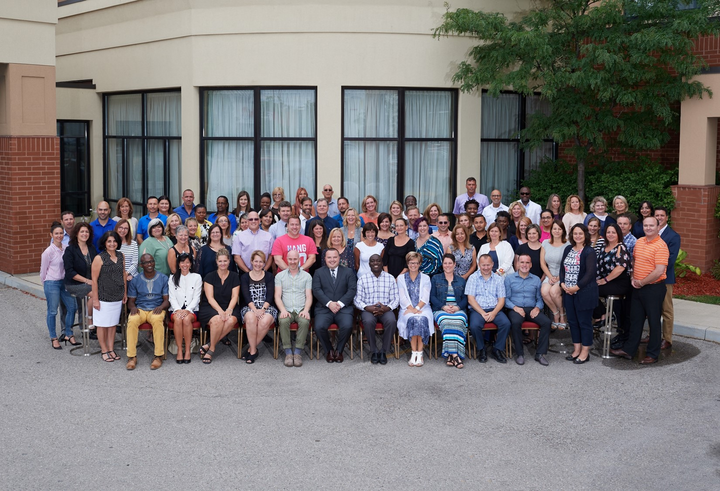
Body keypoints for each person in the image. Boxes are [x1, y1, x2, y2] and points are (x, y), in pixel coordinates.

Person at [611, 216, 669, 365]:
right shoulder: (640, 242)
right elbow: (634, 261)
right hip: (637, 286)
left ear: (658, 227)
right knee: (635, 320)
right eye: (646, 225)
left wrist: (642, 282)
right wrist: (632, 277)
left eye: (651, 225)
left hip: (653, 288)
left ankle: (652, 354)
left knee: (654, 321)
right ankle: (629, 350)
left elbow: (659, 271)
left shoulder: (661, 246)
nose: (648, 228)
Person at [560, 224, 598, 364]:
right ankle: (576, 349)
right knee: (573, 322)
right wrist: (562, 283)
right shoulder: (568, 249)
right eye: (575, 233)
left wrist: (576, 287)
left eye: (580, 233)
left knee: (584, 322)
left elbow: (590, 274)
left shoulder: (589, 251)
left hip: (584, 292)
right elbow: (562, 269)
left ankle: (585, 352)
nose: (577, 236)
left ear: (585, 235)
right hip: (568, 292)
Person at [505, 254, 552, 366]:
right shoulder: (509, 279)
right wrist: (515, 308)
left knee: (546, 322)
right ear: (517, 264)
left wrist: (537, 308)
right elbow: (505, 299)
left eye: (527, 262)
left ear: (531, 265)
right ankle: (520, 354)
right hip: (515, 308)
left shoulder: (536, 279)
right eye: (522, 262)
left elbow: (539, 299)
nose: (524, 265)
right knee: (516, 322)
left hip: (531, 308)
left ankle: (540, 354)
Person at [312, 248, 358, 363]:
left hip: (343, 308)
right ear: (325, 259)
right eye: (329, 257)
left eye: (334, 257)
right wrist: (329, 303)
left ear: (339, 258)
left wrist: (340, 304)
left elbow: (352, 290)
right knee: (319, 327)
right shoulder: (318, 272)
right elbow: (317, 290)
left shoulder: (348, 272)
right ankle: (329, 350)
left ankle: (339, 351)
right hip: (324, 308)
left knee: (347, 326)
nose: (332, 260)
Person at [125, 253, 168, 370]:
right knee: (132, 320)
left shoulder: (163, 278)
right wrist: (132, 307)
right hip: (141, 309)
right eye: (146, 263)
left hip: (156, 308)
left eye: (151, 261)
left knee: (157, 320)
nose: (149, 264)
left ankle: (158, 356)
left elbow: (167, 300)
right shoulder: (136, 280)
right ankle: (132, 357)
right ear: (141, 265)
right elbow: (131, 301)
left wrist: (161, 307)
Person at [198, 249, 241, 364]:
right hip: (210, 306)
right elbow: (210, 298)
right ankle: (212, 348)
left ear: (229, 261)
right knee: (217, 319)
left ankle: (210, 346)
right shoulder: (209, 276)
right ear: (216, 262)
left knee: (231, 320)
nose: (223, 263)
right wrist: (221, 311)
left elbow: (234, 296)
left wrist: (229, 310)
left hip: (229, 305)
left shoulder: (234, 276)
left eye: (225, 261)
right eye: (220, 261)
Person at [354, 253, 399, 364]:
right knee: (368, 321)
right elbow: (357, 299)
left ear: (382, 263)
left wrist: (387, 308)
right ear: (369, 264)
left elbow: (396, 298)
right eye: (373, 261)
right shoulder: (363, 279)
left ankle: (383, 351)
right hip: (369, 309)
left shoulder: (390, 278)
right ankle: (374, 350)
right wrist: (367, 307)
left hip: (385, 309)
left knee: (391, 321)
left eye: (378, 261)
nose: (375, 263)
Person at [465, 254, 511, 363]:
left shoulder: (498, 279)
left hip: (494, 309)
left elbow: (501, 300)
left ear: (492, 264)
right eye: (483, 265)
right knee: (475, 326)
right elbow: (471, 299)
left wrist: (493, 313)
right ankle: (481, 349)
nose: (486, 267)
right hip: (478, 310)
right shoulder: (473, 278)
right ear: (479, 265)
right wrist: (482, 313)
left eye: (488, 265)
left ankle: (497, 349)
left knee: (506, 324)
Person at [41, 222, 79, 349]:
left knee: (72, 307)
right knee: (52, 311)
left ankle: (68, 333)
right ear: (51, 235)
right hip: (52, 283)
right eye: (56, 233)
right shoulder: (48, 252)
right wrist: (45, 284)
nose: (59, 235)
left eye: (61, 233)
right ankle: (54, 337)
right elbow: (43, 270)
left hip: (64, 282)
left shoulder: (66, 248)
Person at [91, 231, 127, 363]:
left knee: (112, 325)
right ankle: (104, 350)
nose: (112, 244)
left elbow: (123, 274)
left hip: (117, 297)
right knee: (102, 325)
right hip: (103, 297)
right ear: (105, 243)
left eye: (114, 241)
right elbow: (94, 280)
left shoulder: (121, 255)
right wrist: (95, 299)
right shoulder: (99, 258)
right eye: (109, 241)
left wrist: (124, 293)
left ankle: (111, 349)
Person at [275, 250, 313, 367]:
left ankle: (297, 352)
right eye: (290, 259)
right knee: (283, 321)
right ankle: (288, 352)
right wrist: (283, 310)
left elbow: (308, 296)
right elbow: (277, 296)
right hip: (286, 309)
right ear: (287, 259)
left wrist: (306, 310)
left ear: (299, 259)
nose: (292, 262)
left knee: (304, 321)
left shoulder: (307, 276)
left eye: (295, 259)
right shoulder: (279, 276)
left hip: (301, 308)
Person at [430, 254, 469, 368]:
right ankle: (455, 355)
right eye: (445, 263)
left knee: (459, 321)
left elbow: (466, 298)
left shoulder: (461, 280)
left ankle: (450, 356)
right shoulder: (435, 278)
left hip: (458, 309)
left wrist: (458, 307)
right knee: (446, 322)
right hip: (440, 309)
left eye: (450, 263)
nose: (447, 265)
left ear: (454, 264)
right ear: (442, 265)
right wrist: (443, 307)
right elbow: (432, 297)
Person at [239, 250, 277, 364]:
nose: (258, 264)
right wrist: (255, 310)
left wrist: (263, 310)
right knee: (251, 319)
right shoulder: (245, 277)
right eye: (256, 261)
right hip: (250, 307)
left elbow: (270, 296)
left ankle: (251, 349)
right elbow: (246, 296)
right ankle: (253, 350)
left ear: (264, 263)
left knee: (264, 321)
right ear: (251, 261)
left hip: (267, 307)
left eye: (261, 262)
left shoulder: (269, 276)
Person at [593, 223, 632, 332]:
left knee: (591, 290)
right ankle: (604, 313)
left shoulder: (620, 247)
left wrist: (605, 280)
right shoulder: (604, 246)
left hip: (618, 283)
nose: (610, 234)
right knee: (585, 288)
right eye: (608, 232)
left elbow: (620, 267)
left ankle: (605, 315)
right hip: (606, 281)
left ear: (618, 234)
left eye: (613, 232)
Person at [397, 251, 433, 367]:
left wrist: (416, 308)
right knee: (413, 319)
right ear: (407, 264)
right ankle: (413, 353)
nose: (413, 265)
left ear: (420, 264)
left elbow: (425, 297)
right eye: (411, 263)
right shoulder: (401, 278)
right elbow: (402, 296)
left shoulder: (426, 278)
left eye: (416, 263)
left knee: (421, 319)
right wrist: (411, 309)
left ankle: (420, 353)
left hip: (423, 308)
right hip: (406, 308)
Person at [168, 253, 202, 364]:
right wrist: (178, 310)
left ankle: (187, 350)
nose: (185, 265)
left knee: (187, 319)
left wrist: (187, 310)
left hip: (192, 309)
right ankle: (179, 350)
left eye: (187, 262)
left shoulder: (197, 277)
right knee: (178, 319)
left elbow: (197, 298)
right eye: (182, 262)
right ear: (178, 264)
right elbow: (172, 297)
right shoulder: (172, 278)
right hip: (175, 309)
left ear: (191, 264)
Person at [655, 207, 680, 350]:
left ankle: (667, 338)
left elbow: (670, 260)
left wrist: (655, 271)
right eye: (657, 215)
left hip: (665, 278)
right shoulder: (651, 234)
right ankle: (652, 335)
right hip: (650, 277)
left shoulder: (673, 236)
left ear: (667, 217)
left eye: (662, 215)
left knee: (666, 309)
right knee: (653, 309)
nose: (659, 217)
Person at [540, 220, 569, 329]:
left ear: (563, 231)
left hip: (563, 275)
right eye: (554, 229)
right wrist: (550, 277)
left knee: (554, 292)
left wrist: (559, 278)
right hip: (550, 274)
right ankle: (555, 313)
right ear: (551, 230)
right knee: (544, 291)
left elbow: (569, 264)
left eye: (559, 229)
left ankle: (562, 315)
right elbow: (542, 263)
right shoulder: (545, 243)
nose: (557, 231)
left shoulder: (568, 244)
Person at [64, 222, 98, 303]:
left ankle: (89, 311)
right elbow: (70, 272)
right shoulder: (70, 250)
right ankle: (88, 312)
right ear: (76, 234)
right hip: (74, 284)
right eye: (82, 231)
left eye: (87, 232)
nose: (84, 234)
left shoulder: (92, 248)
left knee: (104, 290)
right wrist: (87, 281)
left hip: (90, 282)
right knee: (96, 295)